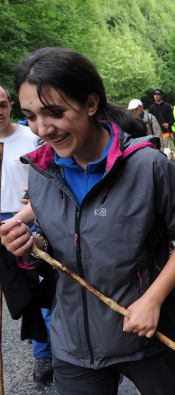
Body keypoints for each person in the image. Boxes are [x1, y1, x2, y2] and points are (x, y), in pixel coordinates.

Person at [1, 47, 175, 395]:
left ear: (91, 104)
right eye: (31, 116)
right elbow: (61, 242)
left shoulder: (147, 166)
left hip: (144, 332)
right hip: (73, 343)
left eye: (54, 113)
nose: (43, 128)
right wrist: (31, 245)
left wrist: (153, 299)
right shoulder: (40, 172)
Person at [0, 85, 54, 385]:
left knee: (40, 293)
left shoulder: (31, 138)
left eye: (3, 104)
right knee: (16, 293)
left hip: (27, 222)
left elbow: (46, 181)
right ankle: (44, 350)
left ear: (10, 106)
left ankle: (49, 352)